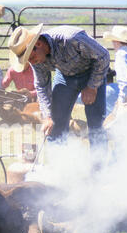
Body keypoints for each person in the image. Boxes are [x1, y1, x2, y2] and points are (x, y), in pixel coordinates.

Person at [8, 24, 110, 157]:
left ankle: (99, 169)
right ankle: (57, 167)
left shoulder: (72, 39)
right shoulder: (36, 60)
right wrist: (47, 116)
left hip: (91, 73)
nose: (32, 63)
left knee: (96, 123)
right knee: (54, 124)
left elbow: (103, 56)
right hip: (65, 77)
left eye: (31, 58)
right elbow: (42, 86)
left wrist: (92, 86)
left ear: (38, 44)